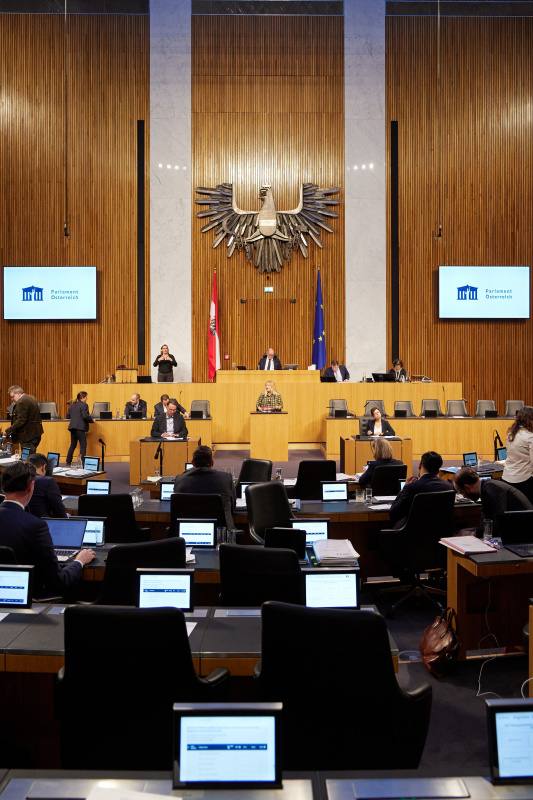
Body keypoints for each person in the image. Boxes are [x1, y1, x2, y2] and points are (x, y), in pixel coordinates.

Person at [0, 461, 94, 598]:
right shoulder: (35, 526)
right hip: (34, 598)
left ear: (3, 488)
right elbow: (58, 582)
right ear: (30, 486)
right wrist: (79, 561)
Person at [453, 466, 533, 536]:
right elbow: (486, 522)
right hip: (515, 529)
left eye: (461, 493)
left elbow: (499, 524)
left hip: (523, 533)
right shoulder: (486, 488)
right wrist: (474, 532)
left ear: (467, 487)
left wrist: (473, 533)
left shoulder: (492, 489)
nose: (463, 496)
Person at [173, 445, 235, 530]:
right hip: (222, 534)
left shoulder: (180, 479)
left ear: (193, 463)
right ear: (212, 463)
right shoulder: (226, 478)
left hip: (188, 531)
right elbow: (232, 508)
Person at [389, 450, 452, 527]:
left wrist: (403, 490)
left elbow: (393, 514)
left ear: (420, 465)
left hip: (412, 534)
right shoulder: (449, 487)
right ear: (438, 471)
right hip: (440, 533)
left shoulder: (411, 487)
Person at [501, 407, 533, 503]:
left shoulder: (511, 434)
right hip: (524, 480)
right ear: (529, 420)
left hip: (507, 478)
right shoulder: (530, 436)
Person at [26, 452, 68, 519]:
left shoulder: (18, 479)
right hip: (43, 524)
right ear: (43, 467)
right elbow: (60, 512)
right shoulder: (48, 481)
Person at [5, 385, 44, 455]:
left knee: (27, 460)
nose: (12, 399)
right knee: (32, 457)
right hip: (36, 434)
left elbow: (21, 420)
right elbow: (29, 415)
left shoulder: (21, 402)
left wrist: (8, 431)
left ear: (18, 393)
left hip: (27, 435)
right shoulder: (31, 398)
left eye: (12, 396)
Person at [66, 392, 94, 466]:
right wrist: (92, 420)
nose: (87, 398)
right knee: (83, 445)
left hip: (72, 427)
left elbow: (68, 416)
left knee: (73, 445)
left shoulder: (72, 406)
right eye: (86, 397)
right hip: (80, 427)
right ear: (83, 397)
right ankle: (83, 463)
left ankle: (68, 461)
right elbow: (85, 416)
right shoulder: (84, 405)